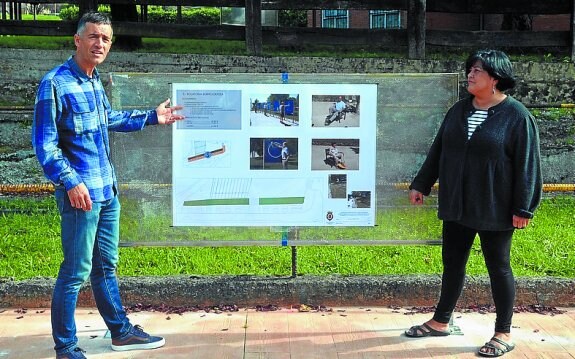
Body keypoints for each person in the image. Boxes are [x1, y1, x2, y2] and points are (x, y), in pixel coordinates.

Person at [31, 12, 184, 359]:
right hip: (81, 196)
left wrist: (151, 116)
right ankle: (66, 348)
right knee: (74, 272)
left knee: (105, 267)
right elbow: (45, 144)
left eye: (106, 38)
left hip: (106, 191)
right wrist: (70, 182)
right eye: (93, 36)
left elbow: (108, 119)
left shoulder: (94, 81)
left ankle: (120, 332)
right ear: (77, 40)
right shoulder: (54, 84)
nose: (100, 43)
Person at [404, 50, 542, 358]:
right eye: (470, 69)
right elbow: (439, 150)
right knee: (452, 263)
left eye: (477, 71)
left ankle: (503, 333)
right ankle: (441, 320)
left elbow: (528, 165)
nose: (470, 74)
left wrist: (524, 207)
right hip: (456, 203)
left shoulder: (517, 116)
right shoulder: (459, 111)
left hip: (495, 206)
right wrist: (421, 184)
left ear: (495, 78)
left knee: (499, 267)